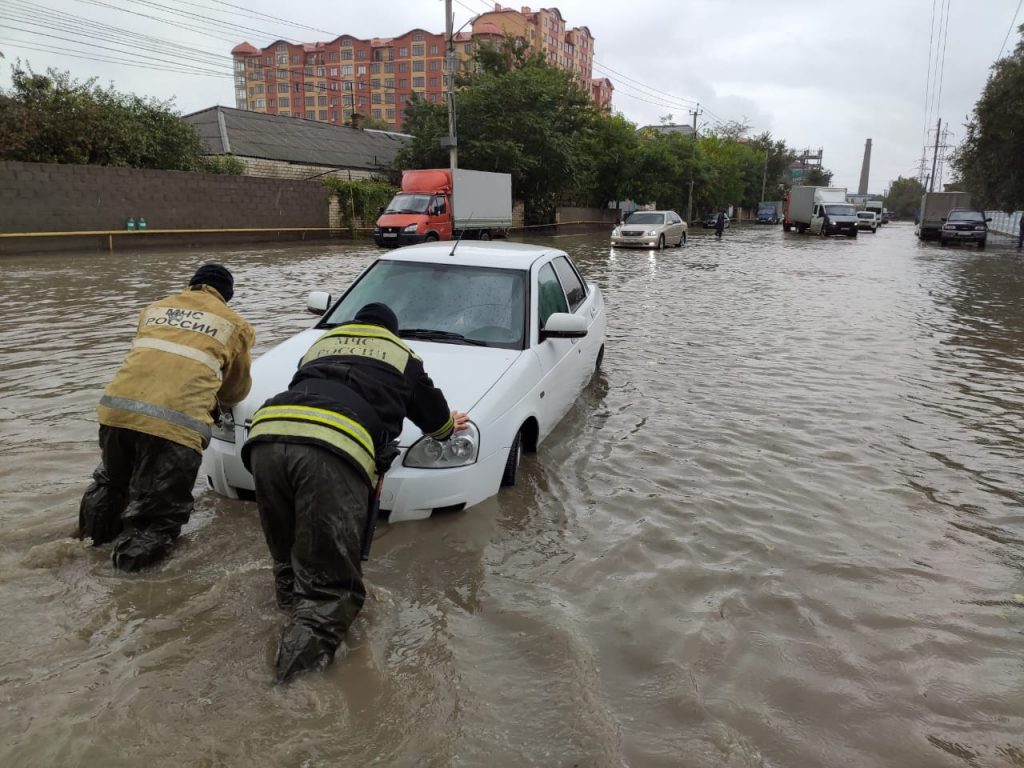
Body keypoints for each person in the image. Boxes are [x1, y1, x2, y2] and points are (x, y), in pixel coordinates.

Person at [241, 302, 468, 683]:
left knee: (287, 553)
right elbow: (432, 413)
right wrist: (447, 427)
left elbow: (310, 385)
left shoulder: (322, 343)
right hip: (331, 446)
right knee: (330, 587)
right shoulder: (402, 353)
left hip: (265, 435)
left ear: (356, 324)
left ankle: (286, 619)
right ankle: (289, 687)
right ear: (391, 330)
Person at [78, 264, 255, 571]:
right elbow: (235, 390)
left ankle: (86, 550)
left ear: (192, 285)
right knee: (158, 518)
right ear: (227, 296)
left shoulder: (154, 309)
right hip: (175, 426)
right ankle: (129, 587)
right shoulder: (234, 325)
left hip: (116, 413)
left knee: (110, 484)